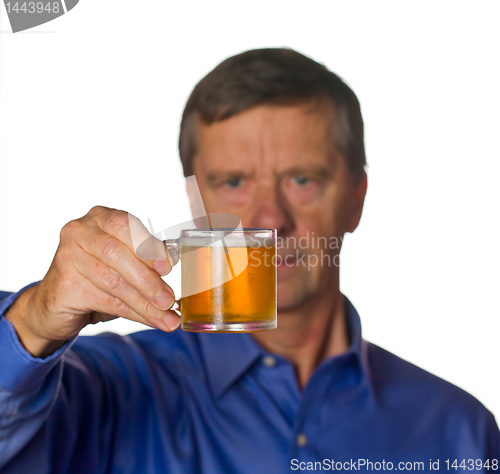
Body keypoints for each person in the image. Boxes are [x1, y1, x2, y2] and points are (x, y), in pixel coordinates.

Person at [0, 48, 498, 473]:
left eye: (302, 179)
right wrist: (34, 320)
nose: (270, 217)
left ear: (355, 199)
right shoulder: (110, 390)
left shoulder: (460, 432)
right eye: (234, 182)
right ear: (197, 204)